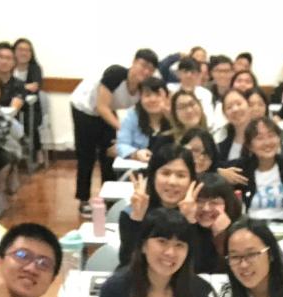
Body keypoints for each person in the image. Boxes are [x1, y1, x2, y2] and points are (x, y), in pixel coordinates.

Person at [92, 208, 216, 297]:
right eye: (162, 241)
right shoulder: (115, 289)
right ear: (143, 246)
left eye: (179, 245)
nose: (170, 252)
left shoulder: (199, 291)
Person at [70, 48, 159, 213]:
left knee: (109, 153)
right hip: (84, 109)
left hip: (107, 110)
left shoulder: (143, 88)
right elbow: (101, 106)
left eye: (151, 69)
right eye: (143, 65)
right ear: (134, 62)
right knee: (86, 155)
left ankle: (109, 200)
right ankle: (83, 198)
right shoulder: (116, 74)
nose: (146, 71)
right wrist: (124, 132)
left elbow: (139, 115)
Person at [116, 145, 199, 267]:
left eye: (181, 175)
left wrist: (189, 221)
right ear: (153, 176)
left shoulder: (201, 213)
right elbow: (127, 262)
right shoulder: (132, 212)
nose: (172, 182)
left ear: (192, 180)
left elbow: (199, 264)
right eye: (165, 173)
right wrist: (136, 219)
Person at [237, 117, 283, 221]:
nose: (267, 142)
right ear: (249, 146)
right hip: (253, 226)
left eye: (271, 136)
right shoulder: (241, 170)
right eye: (260, 138)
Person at [116, 77, 172, 161]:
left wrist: (170, 117)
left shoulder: (175, 116)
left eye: (158, 95)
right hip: (140, 165)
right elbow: (121, 145)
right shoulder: (132, 116)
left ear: (167, 97)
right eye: (147, 95)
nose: (152, 100)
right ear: (140, 98)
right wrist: (136, 153)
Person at [12, 38, 44, 151]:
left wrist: (16, 87)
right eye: (20, 49)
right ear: (14, 51)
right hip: (11, 105)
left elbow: (34, 87)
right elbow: (5, 86)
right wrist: (25, 87)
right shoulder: (9, 67)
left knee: (30, 122)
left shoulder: (35, 68)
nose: (24, 53)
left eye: (27, 50)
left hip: (31, 107)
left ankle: (33, 152)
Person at [167, 55, 214, 119]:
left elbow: (208, 117)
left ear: (199, 74)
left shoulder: (205, 94)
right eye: (185, 71)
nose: (189, 75)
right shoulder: (170, 89)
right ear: (178, 73)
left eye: (192, 72)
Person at [214, 88, 251, 164]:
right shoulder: (220, 143)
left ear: (249, 105)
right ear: (225, 115)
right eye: (229, 107)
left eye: (239, 104)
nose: (235, 109)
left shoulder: (263, 135)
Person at [0, 42, 27, 112]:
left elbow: (11, 111)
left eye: (8, 58)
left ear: (14, 62)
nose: (4, 61)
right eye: (0, 57)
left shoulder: (19, 85)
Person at [206, 54, 234, 127]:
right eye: (218, 71)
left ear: (233, 72)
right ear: (211, 73)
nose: (222, 75)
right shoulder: (204, 92)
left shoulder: (238, 93)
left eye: (226, 71)